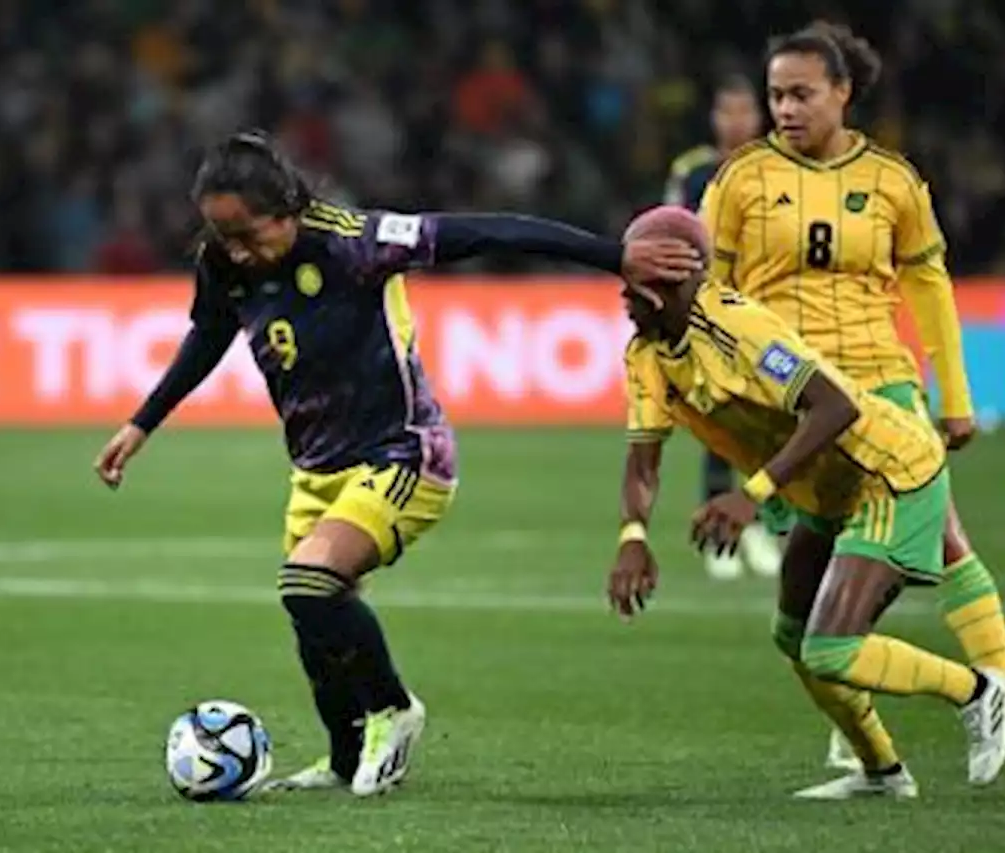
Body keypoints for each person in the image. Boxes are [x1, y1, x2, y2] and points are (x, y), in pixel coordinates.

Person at [91, 130, 698, 798]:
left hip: (404, 453)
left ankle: (394, 707)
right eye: (221, 234)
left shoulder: (357, 241)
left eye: (249, 233)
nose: (236, 249)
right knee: (314, 617)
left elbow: (488, 232)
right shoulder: (225, 262)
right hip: (316, 470)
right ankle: (345, 758)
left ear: (288, 207)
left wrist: (614, 256)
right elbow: (210, 333)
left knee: (308, 583)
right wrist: (142, 421)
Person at [698, 20, 1005, 791]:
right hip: (792, 397)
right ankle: (870, 744)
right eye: (775, 95)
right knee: (807, 601)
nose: (786, 109)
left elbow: (928, 288)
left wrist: (955, 397)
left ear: (844, 93)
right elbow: (712, 293)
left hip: (880, 384)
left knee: (947, 536)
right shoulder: (739, 180)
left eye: (801, 94)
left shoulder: (895, 181)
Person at [610, 266, 1005, 797]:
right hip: (826, 490)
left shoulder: (741, 326)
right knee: (794, 638)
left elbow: (836, 404)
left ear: (668, 290)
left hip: (885, 470)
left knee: (830, 650)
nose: (622, 298)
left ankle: (979, 691)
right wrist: (633, 537)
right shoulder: (644, 356)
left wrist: (750, 495)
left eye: (633, 289)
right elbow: (643, 460)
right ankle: (881, 772)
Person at [665, 74, 785, 582]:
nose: (736, 121)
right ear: (714, 117)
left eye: (744, 111)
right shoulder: (692, 171)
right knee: (719, 421)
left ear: (758, 117)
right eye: (726, 111)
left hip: (769, 312)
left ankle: (764, 521)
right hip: (711, 314)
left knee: (775, 420)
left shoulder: (780, 167)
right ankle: (719, 526)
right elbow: (668, 230)